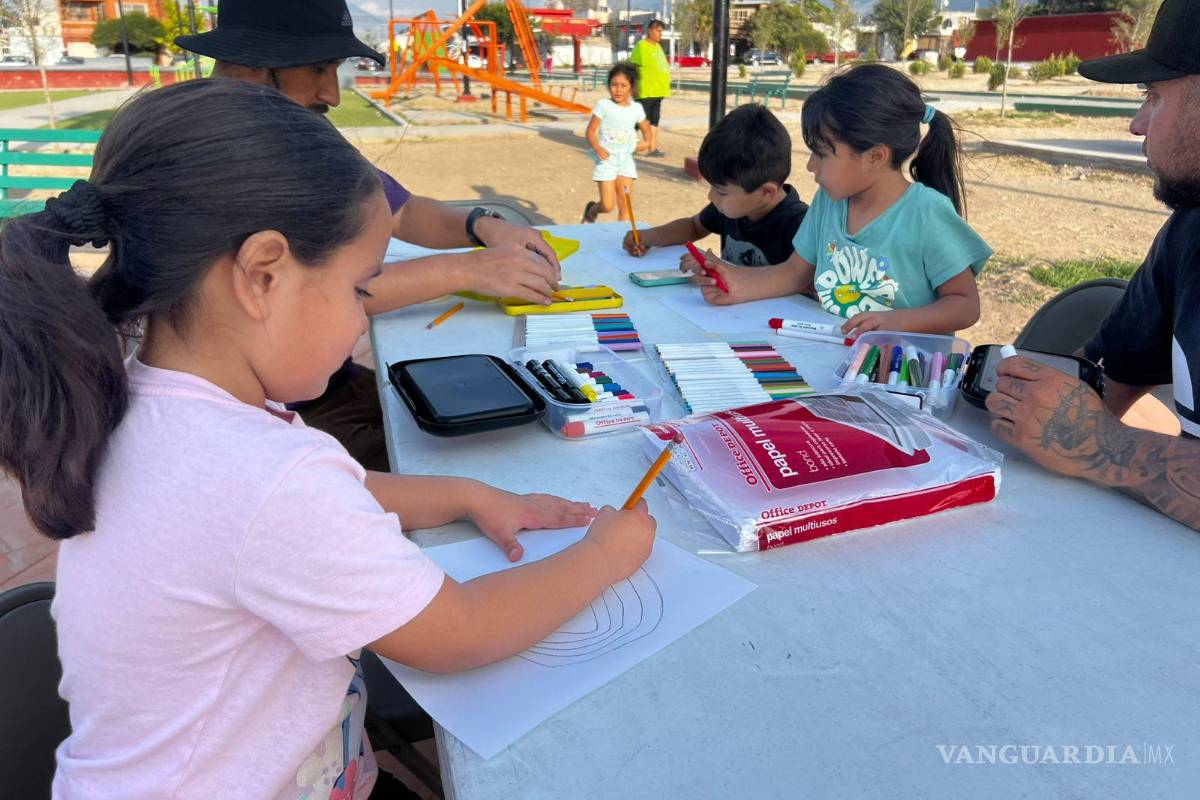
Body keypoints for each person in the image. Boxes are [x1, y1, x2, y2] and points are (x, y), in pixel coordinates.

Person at [0, 80, 656, 799]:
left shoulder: (148, 398)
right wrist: (603, 556)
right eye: (360, 290)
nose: (361, 323)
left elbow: (302, 505)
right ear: (262, 275)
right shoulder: (261, 474)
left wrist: (467, 493)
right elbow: (459, 631)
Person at [175, 0, 566, 470]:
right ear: (257, 64)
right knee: (482, 463)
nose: (333, 94)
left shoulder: (289, 125)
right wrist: (466, 268)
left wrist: (482, 226)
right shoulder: (213, 155)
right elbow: (311, 296)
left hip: (315, 381)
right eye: (319, 68)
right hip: (255, 420)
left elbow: (397, 209)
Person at [984, 0, 1200, 532]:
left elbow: (1094, 429)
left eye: (1153, 96)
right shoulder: (1190, 231)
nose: (1136, 124)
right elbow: (1100, 384)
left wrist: (1103, 446)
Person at [694, 64, 992, 337]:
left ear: (875, 157)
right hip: (838, 359)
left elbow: (965, 305)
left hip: (903, 371)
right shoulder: (829, 202)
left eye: (822, 154)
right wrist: (736, 286)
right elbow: (793, 274)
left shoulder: (926, 213)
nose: (811, 166)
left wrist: (895, 321)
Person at [619, 104, 808, 269]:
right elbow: (694, 227)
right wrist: (650, 236)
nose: (711, 197)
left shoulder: (799, 225)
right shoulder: (731, 207)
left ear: (766, 192)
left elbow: (797, 282)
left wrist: (721, 270)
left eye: (721, 191)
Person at [582, 63, 653, 223]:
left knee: (625, 205)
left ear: (631, 87)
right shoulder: (603, 105)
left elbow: (647, 130)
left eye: (623, 86)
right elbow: (590, 132)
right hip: (606, 160)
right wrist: (597, 147)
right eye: (614, 85)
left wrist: (647, 143)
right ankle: (591, 211)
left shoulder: (636, 108)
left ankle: (622, 241)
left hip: (625, 161)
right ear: (608, 85)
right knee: (608, 205)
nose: (618, 90)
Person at [629, 19, 670, 157]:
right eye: (658, 31)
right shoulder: (641, 46)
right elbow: (632, 67)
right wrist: (633, 87)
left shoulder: (658, 47)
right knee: (640, 121)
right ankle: (626, 144)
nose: (660, 34)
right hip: (646, 90)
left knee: (654, 120)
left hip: (658, 90)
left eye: (661, 31)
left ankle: (652, 148)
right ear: (650, 31)